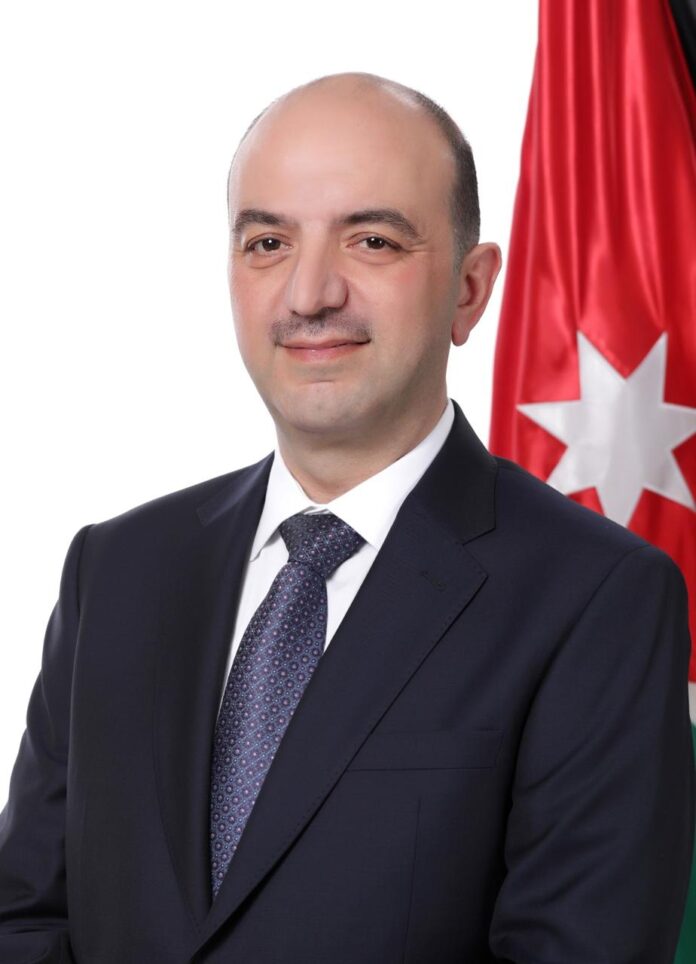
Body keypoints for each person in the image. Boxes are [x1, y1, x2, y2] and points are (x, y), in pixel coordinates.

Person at [0, 71, 692, 964]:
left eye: (372, 240)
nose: (309, 294)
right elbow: (25, 919)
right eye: (267, 242)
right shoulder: (117, 569)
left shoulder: (597, 598)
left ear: (471, 289)